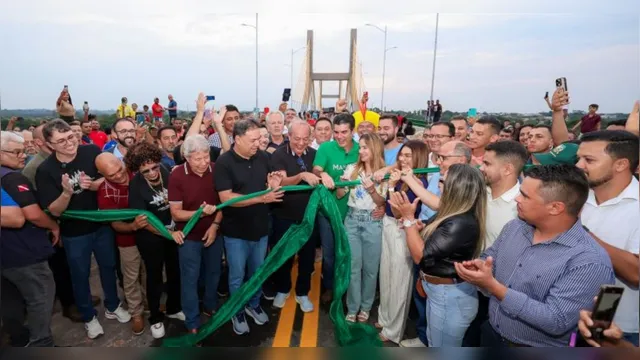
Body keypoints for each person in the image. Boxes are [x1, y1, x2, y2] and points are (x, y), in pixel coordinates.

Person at [455, 164, 616, 347]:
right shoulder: (514, 228)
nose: (517, 198)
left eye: (525, 195)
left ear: (555, 207)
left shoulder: (588, 261)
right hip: (491, 334)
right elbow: (490, 257)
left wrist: (494, 287)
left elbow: (556, 320)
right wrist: (478, 267)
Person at [36, 120, 130, 339]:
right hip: (74, 232)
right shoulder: (45, 170)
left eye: (70, 136)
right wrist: (67, 192)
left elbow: (108, 178)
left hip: (102, 225)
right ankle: (89, 317)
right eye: (61, 140)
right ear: (50, 144)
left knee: (108, 267)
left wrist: (94, 184)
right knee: (80, 275)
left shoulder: (91, 151)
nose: (69, 143)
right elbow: (54, 211)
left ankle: (113, 306)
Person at [390, 164, 487, 347]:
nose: (438, 185)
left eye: (443, 181)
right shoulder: (452, 214)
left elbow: (420, 256)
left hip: (449, 297)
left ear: (455, 187)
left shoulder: (460, 222)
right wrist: (418, 226)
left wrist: (409, 219)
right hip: (440, 293)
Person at [214, 120, 284, 335]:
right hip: (236, 232)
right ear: (237, 139)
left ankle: (253, 304)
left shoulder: (263, 156)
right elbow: (226, 198)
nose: (258, 143)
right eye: (252, 140)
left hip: (261, 228)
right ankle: (237, 310)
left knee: (257, 272)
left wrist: (273, 184)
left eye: (259, 138)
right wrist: (263, 198)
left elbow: (273, 181)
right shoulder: (224, 163)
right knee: (237, 275)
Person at [577, 130, 639, 346]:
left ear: (620, 164)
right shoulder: (578, 195)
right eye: (579, 158)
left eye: (589, 160)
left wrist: (580, 231)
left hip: (621, 331)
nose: (579, 166)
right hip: (571, 321)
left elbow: (635, 273)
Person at [463, 140, 528, 347]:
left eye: (488, 164)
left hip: (501, 295)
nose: (481, 168)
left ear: (507, 168)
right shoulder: (481, 193)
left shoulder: (522, 208)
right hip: (472, 283)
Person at [1, 131, 58, 347]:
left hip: (5, 255)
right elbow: (31, 214)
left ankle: (19, 339)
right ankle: (41, 343)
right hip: (24, 253)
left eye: (23, 150)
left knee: (10, 299)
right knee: (40, 297)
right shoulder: (13, 177)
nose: (23, 155)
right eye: (16, 152)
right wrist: (53, 225)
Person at [126, 142, 185, 339]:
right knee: (154, 277)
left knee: (175, 271)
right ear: (137, 170)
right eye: (146, 171)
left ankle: (174, 307)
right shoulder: (135, 187)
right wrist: (167, 234)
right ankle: (156, 318)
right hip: (151, 237)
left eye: (154, 167)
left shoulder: (167, 172)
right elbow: (144, 221)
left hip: (173, 232)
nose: (152, 173)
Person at [168, 135, 223, 337]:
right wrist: (201, 213)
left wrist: (215, 224)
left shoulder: (217, 169)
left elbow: (223, 202)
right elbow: (176, 213)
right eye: (197, 159)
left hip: (214, 231)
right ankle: (192, 319)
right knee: (189, 279)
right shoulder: (176, 176)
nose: (203, 163)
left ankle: (210, 305)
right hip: (189, 236)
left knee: (214, 272)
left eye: (206, 156)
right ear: (186, 158)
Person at [377, 141, 429, 344]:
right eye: (401, 155)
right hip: (389, 225)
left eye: (408, 156)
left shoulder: (419, 182)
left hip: (403, 230)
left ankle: (394, 330)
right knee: (386, 275)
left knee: (400, 281)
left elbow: (399, 210)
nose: (403, 159)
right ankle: (384, 318)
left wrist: (390, 186)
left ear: (419, 157)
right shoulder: (401, 176)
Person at [269, 120, 320, 312]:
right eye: (296, 138)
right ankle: (283, 289)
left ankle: (302, 292)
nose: (300, 143)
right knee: (284, 255)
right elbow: (281, 181)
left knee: (307, 257)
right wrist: (301, 176)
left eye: (305, 139)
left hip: (309, 217)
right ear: (288, 136)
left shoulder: (315, 155)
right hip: (284, 215)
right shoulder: (279, 155)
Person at [336, 133, 388, 323]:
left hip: (373, 221)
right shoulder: (352, 169)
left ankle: (365, 307)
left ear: (374, 148)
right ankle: (352, 307)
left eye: (365, 147)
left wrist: (372, 189)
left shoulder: (383, 173)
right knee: (353, 267)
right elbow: (341, 195)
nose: (361, 150)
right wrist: (342, 183)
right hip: (352, 219)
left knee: (371, 268)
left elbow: (382, 201)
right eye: (361, 147)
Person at [95, 152, 147, 335]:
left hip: (150, 235)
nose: (118, 175)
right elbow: (115, 223)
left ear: (121, 161)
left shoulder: (138, 172)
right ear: (102, 175)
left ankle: (150, 302)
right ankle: (136, 313)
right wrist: (132, 226)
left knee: (150, 271)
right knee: (131, 278)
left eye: (119, 169)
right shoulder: (105, 192)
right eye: (111, 175)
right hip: (127, 240)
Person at [312, 113, 360, 303]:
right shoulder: (325, 148)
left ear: (352, 131)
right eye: (336, 132)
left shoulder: (360, 149)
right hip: (329, 213)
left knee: (350, 255)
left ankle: (349, 288)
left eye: (344, 132)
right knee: (330, 255)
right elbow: (316, 169)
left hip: (353, 213)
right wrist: (322, 173)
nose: (339, 136)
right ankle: (330, 287)